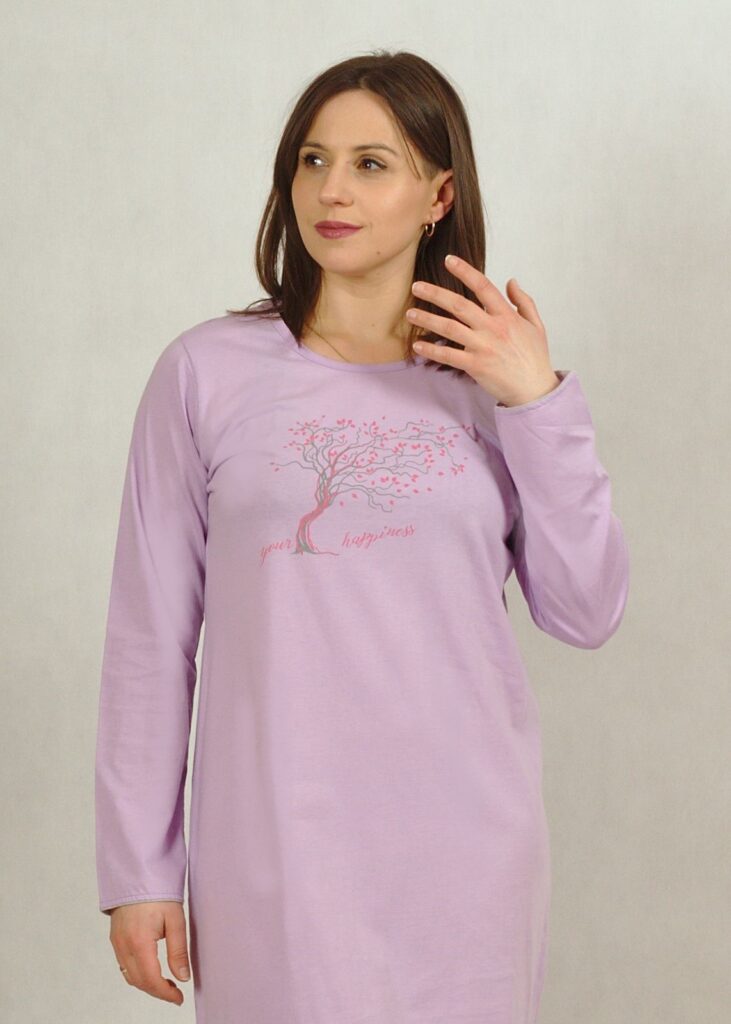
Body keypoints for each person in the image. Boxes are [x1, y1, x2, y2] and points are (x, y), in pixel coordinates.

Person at [95, 49, 630, 1023]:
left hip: (467, 849)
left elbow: (585, 610)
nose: (330, 190)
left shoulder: (493, 386)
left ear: (438, 196)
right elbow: (149, 639)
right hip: (272, 846)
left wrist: (538, 403)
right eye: (312, 160)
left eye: (370, 164)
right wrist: (139, 868)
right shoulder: (205, 374)